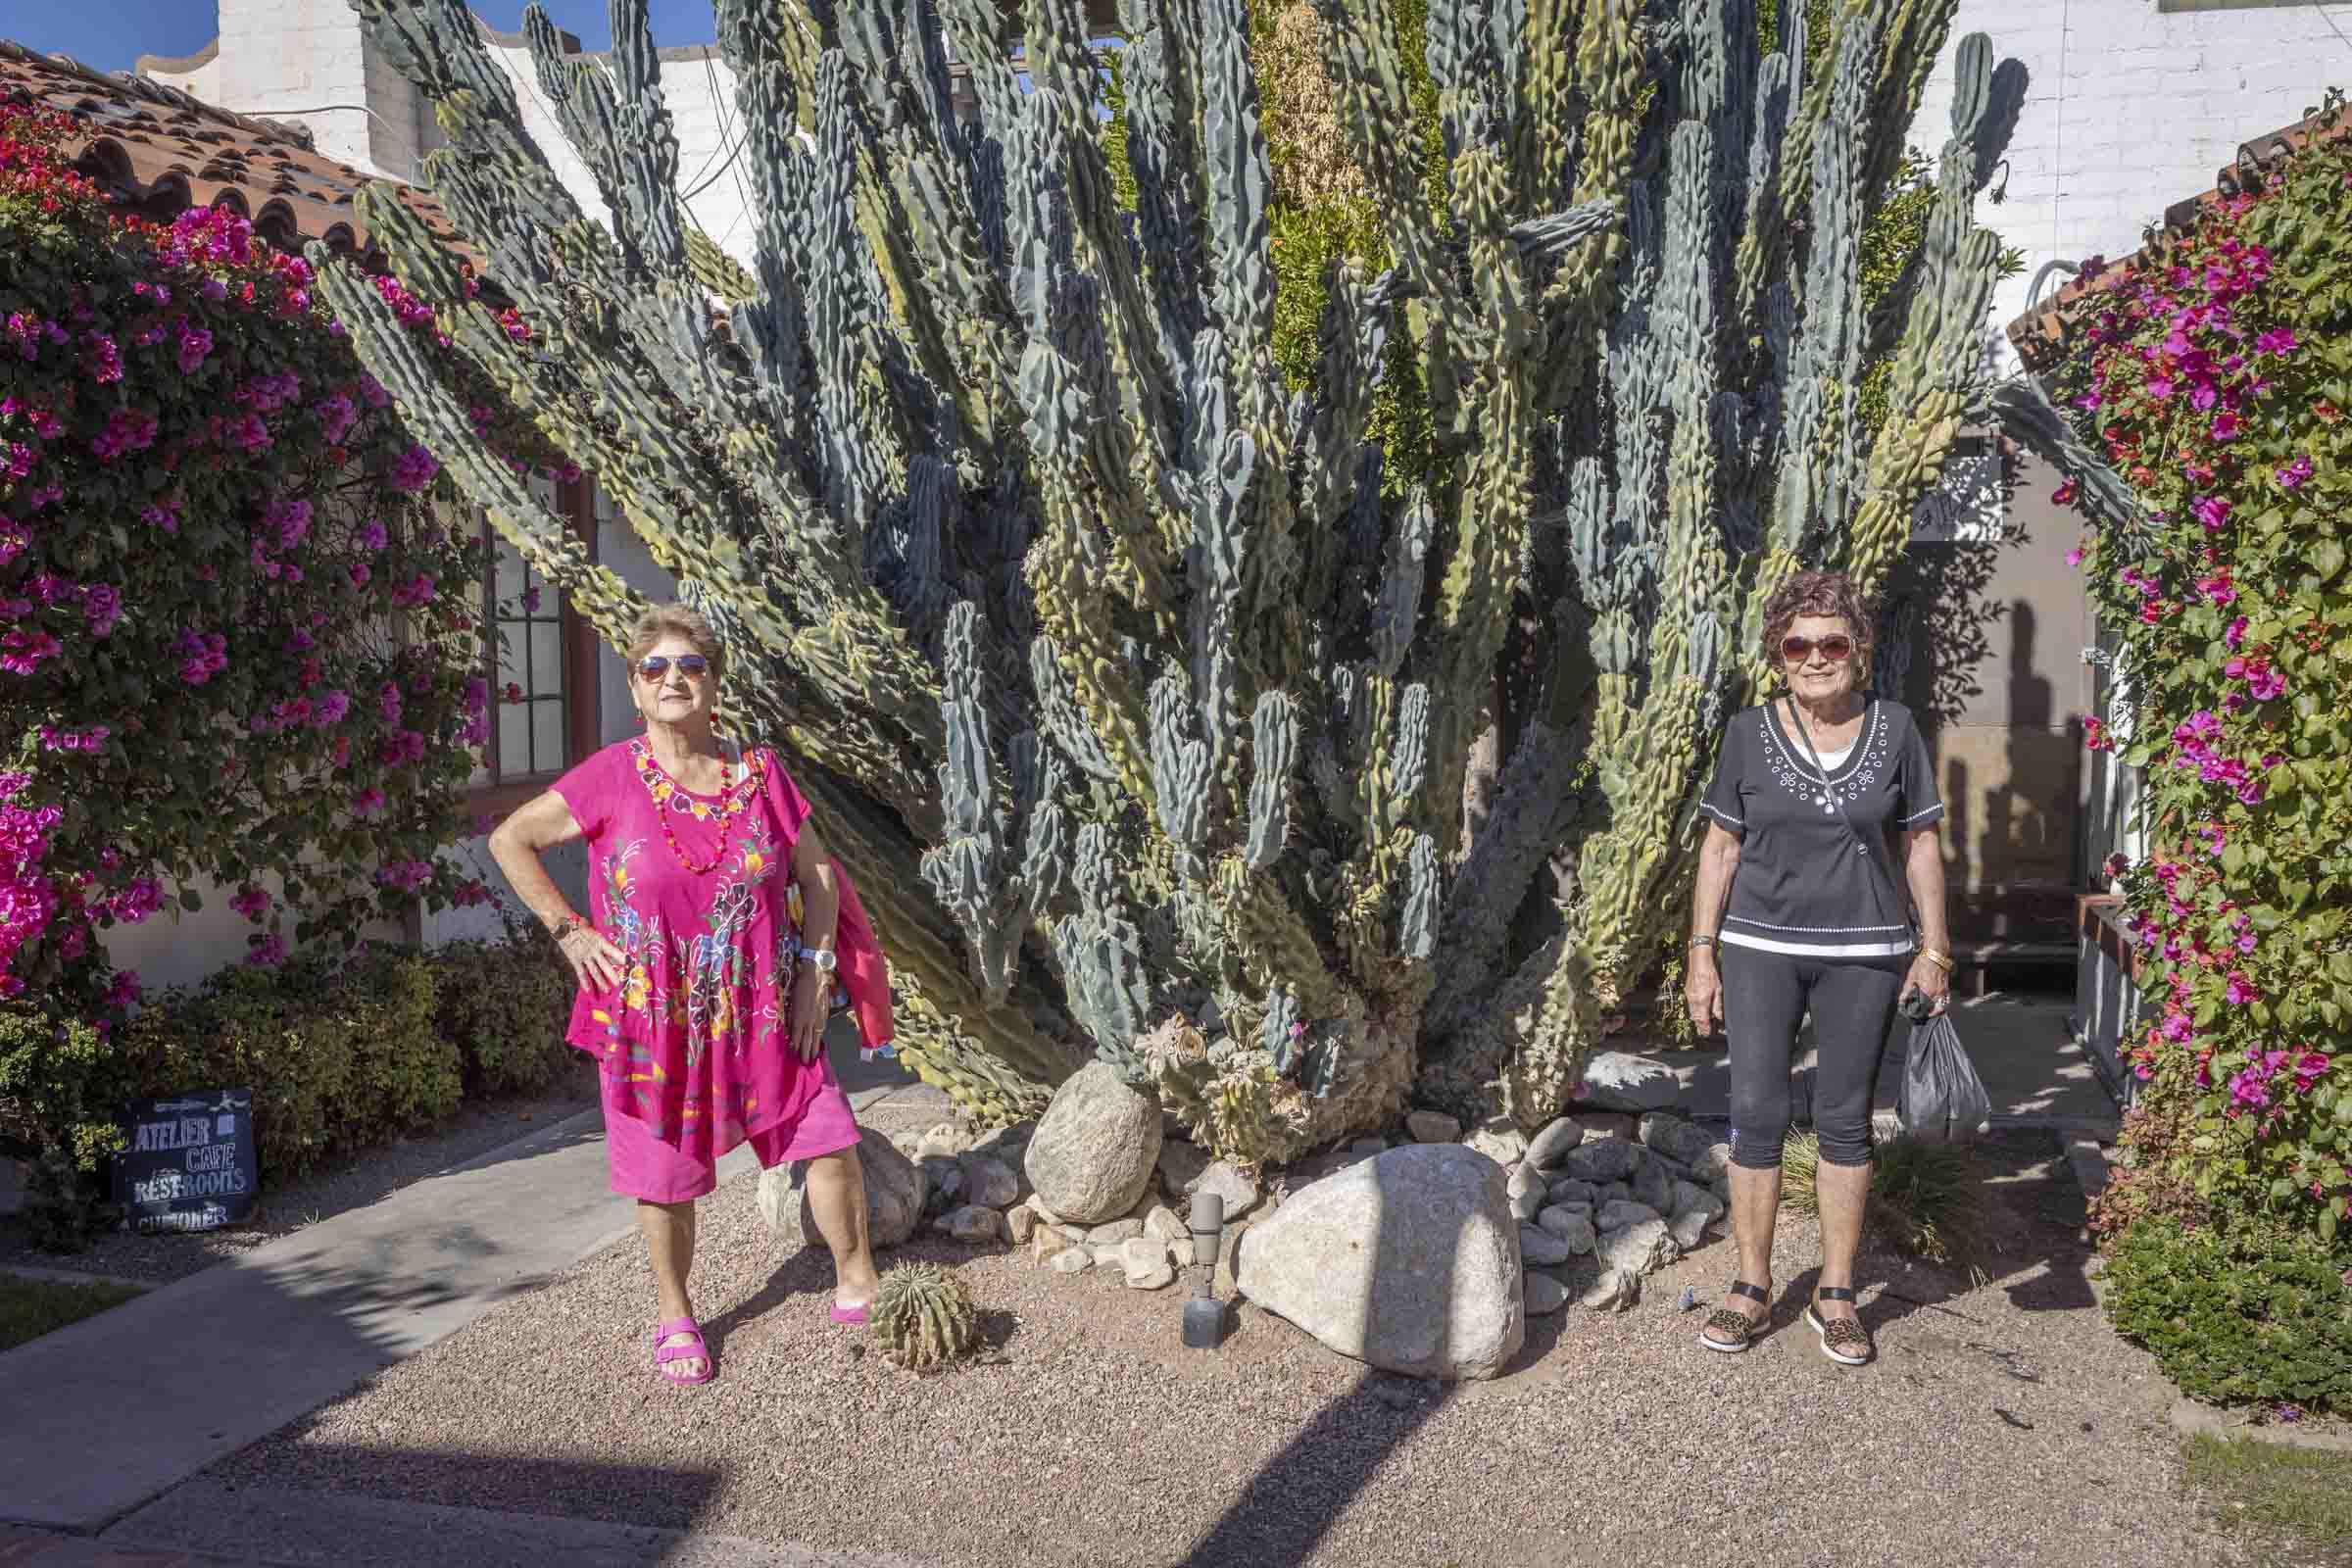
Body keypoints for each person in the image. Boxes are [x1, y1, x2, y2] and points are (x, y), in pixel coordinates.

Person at [488, 604, 893, 1386]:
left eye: (691, 667)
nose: (674, 680)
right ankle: (677, 1314)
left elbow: (814, 872)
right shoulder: (609, 775)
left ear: (714, 685)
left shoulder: (759, 774)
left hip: (767, 1003)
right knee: (661, 1173)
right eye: (655, 668)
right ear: (636, 687)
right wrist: (570, 930)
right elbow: (511, 838)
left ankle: (858, 1276)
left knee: (828, 1136)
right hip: (654, 1018)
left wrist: (814, 974)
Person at [1683, 570, 1953, 1365]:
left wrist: (1935, 949)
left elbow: (1922, 844)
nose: (1814, 657)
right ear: (1779, 654)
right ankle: (1751, 1285)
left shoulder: (1898, 729)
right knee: (1756, 1114)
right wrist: (1702, 955)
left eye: (1832, 642)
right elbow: (1720, 848)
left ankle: (1835, 1292)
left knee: (1845, 1119)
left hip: (1866, 952)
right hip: (1760, 946)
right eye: (1797, 644)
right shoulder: (1745, 733)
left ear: (1859, 650)